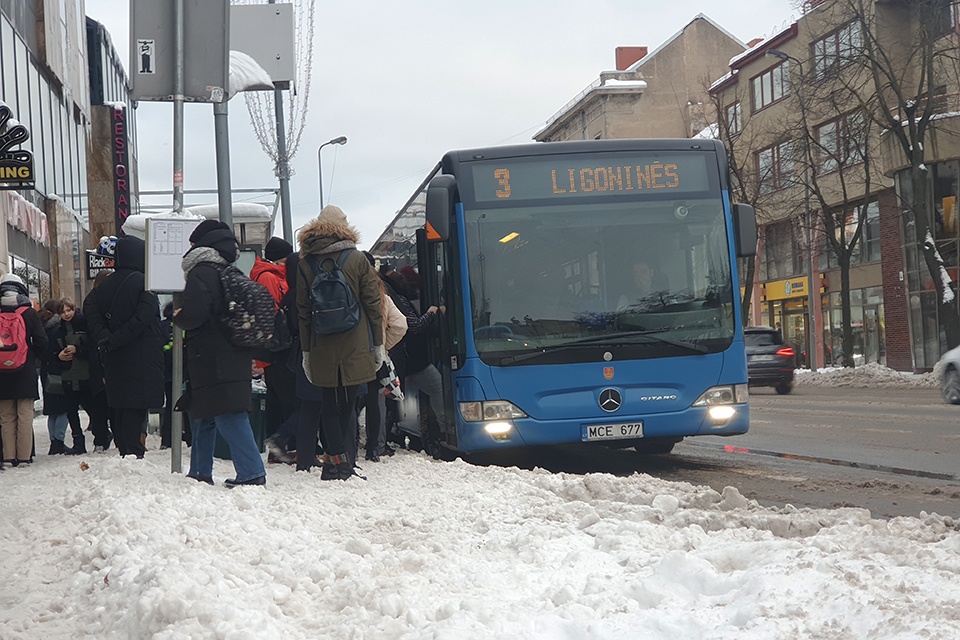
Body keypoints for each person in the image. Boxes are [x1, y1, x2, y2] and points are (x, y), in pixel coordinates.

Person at [175, 219, 266, 487]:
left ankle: (251, 472)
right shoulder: (229, 271)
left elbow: (198, 312)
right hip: (230, 353)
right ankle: (200, 470)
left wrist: (179, 316)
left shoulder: (201, 272)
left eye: (192, 243)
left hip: (213, 356)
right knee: (205, 412)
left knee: (228, 414)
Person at [297, 205, 384, 481]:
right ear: (343, 227)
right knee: (348, 402)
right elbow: (373, 303)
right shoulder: (357, 259)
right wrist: (378, 343)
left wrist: (306, 351)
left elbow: (302, 312)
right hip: (355, 342)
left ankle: (334, 462)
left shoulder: (305, 264)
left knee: (328, 403)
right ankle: (341, 462)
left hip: (321, 342)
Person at [83, 236, 164, 459]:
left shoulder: (102, 287)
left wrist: (106, 339)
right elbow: (143, 319)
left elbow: (92, 317)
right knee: (136, 405)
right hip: (141, 355)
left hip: (113, 357)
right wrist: (118, 338)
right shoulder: (143, 283)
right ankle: (132, 451)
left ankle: (123, 448)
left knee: (118, 403)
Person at [253, 236, 298, 462]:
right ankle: (283, 446)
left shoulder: (272, 276)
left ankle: (278, 449)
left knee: (278, 400)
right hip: (277, 351)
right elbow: (272, 314)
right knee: (287, 399)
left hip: (276, 351)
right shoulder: (269, 277)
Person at [360, 251, 407, 462]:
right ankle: (375, 447)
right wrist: (383, 346)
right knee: (376, 401)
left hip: (352, 356)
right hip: (375, 356)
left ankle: (349, 445)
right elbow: (400, 325)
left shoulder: (351, 295)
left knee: (351, 402)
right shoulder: (383, 297)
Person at [50, 297, 110, 455]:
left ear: (74, 309)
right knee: (71, 411)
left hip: (87, 376)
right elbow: (49, 355)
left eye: (69, 310)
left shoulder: (85, 325)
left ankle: (102, 437)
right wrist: (59, 356)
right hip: (68, 376)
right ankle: (78, 442)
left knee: (94, 409)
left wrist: (78, 349)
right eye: (62, 312)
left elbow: (93, 348)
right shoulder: (57, 330)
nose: (66, 314)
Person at [0, 274, 48, 467]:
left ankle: (9, 456)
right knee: (25, 415)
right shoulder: (28, 312)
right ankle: (24, 457)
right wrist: (30, 356)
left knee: (6, 417)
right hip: (25, 370)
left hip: (1, 371)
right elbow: (42, 341)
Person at [38, 300, 71, 455]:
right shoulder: (57, 327)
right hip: (58, 369)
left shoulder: (41, 326)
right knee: (63, 408)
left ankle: (53, 441)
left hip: (46, 371)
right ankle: (59, 441)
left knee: (51, 409)